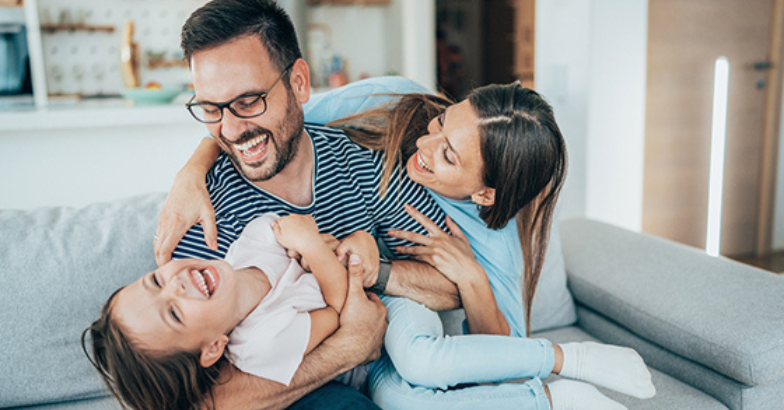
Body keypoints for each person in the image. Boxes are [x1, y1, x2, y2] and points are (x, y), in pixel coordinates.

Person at [165, 78, 657, 409]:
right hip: (374, 339)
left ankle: (568, 380)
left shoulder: (494, 240)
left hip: (407, 328)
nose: (423, 146)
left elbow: (502, 359)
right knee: (399, 399)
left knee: (418, 373)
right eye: (441, 125)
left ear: (484, 193)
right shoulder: (393, 100)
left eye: (448, 156)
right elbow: (269, 125)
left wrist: (470, 279)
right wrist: (192, 170)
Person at [151, 0, 461, 408]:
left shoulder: (362, 166)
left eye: (249, 101)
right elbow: (190, 400)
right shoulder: (203, 210)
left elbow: (451, 285)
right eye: (211, 109)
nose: (231, 129)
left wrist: (373, 271)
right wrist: (348, 348)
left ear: (298, 82)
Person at [82, 213, 376, 410]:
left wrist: (348, 244)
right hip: (371, 364)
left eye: (156, 281)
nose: (175, 286)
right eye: (174, 314)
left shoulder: (253, 239)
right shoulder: (263, 341)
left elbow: (318, 237)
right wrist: (312, 247)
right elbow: (342, 314)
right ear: (213, 348)